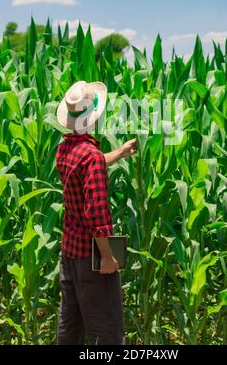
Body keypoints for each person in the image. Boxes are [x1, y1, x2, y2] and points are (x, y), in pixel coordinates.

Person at [55, 80, 137, 345]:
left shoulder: (65, 149)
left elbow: (88, 162)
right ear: (92, 118)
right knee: (107, 330)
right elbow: (97, 216)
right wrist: (107, 257)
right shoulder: (90, 156)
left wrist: (121, 153)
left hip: (69, 253)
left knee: (70, 324)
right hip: (91, 257)